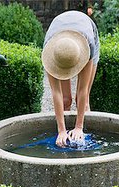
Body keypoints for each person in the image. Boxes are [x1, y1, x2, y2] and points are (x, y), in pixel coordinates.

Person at [41, 10, 100, 147]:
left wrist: (78, 127)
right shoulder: (50, 51)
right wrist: (61, 130)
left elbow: (82, 90)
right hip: (59, 38)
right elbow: (56, 93)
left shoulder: (88, 46)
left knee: (83, 102)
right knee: (65, 99)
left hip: (86, 30)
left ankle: (83, 134)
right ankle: (65, 134)